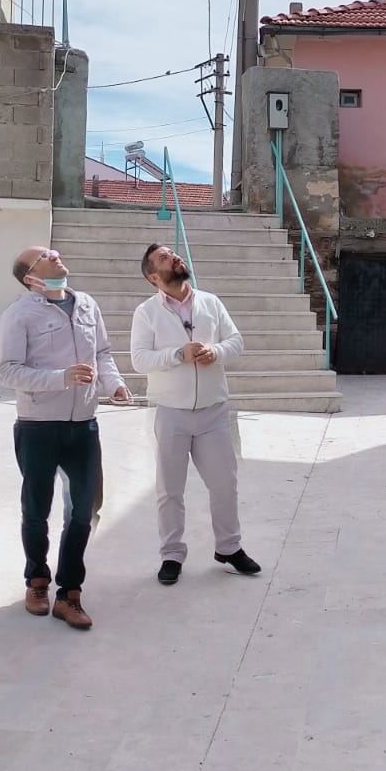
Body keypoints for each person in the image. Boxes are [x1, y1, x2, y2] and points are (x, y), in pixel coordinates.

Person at [0, 246, 130, 630]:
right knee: (36, 510)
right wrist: (61, 378)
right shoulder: (19, 314)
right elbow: (7, 371)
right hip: (38, 425)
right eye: (44, 256)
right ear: (30, 277)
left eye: (53, 252)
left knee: (83, 510)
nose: (55, 255)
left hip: (83, 424)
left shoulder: (86, 304)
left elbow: (102, 352)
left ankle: (70, 594)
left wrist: (114, 383)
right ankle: (37, 581)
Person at [130, 243, 261, 586]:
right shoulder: (147, 312)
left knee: (224, 483)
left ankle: (229, 547)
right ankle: (172, 554)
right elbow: (139, 359)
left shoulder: (210, 302)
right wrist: (178, 354)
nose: (174, 257)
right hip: (170, 412)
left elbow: (235, 340)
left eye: (173, 253)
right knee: (169, 489)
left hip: (213, 411)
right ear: (153, 277)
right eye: (164, 258)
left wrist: (215, 351)